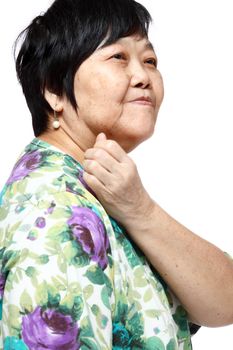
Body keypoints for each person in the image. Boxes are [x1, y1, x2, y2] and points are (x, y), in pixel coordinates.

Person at [0, 0, 232, 349]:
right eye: (118, 57)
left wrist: (142, 211)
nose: (143, 77)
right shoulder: (55, 210)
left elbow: (223, 303)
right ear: (53, 88)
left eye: (150, 61)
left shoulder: (105, 191)